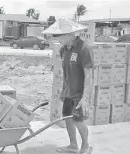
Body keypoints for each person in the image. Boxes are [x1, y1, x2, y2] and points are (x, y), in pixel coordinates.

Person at [49, 19, 94, 154]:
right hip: (68, 91)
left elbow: (89, 76)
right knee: (66, 117)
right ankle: (73, 145)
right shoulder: (64, 50)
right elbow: (66, 72)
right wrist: (63, 90)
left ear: (70, 34)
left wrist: (85, 97)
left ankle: (85, 145)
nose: (57, 38)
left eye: (59, 36)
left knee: (78, 121)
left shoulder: (84, 49)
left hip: (79, 93)